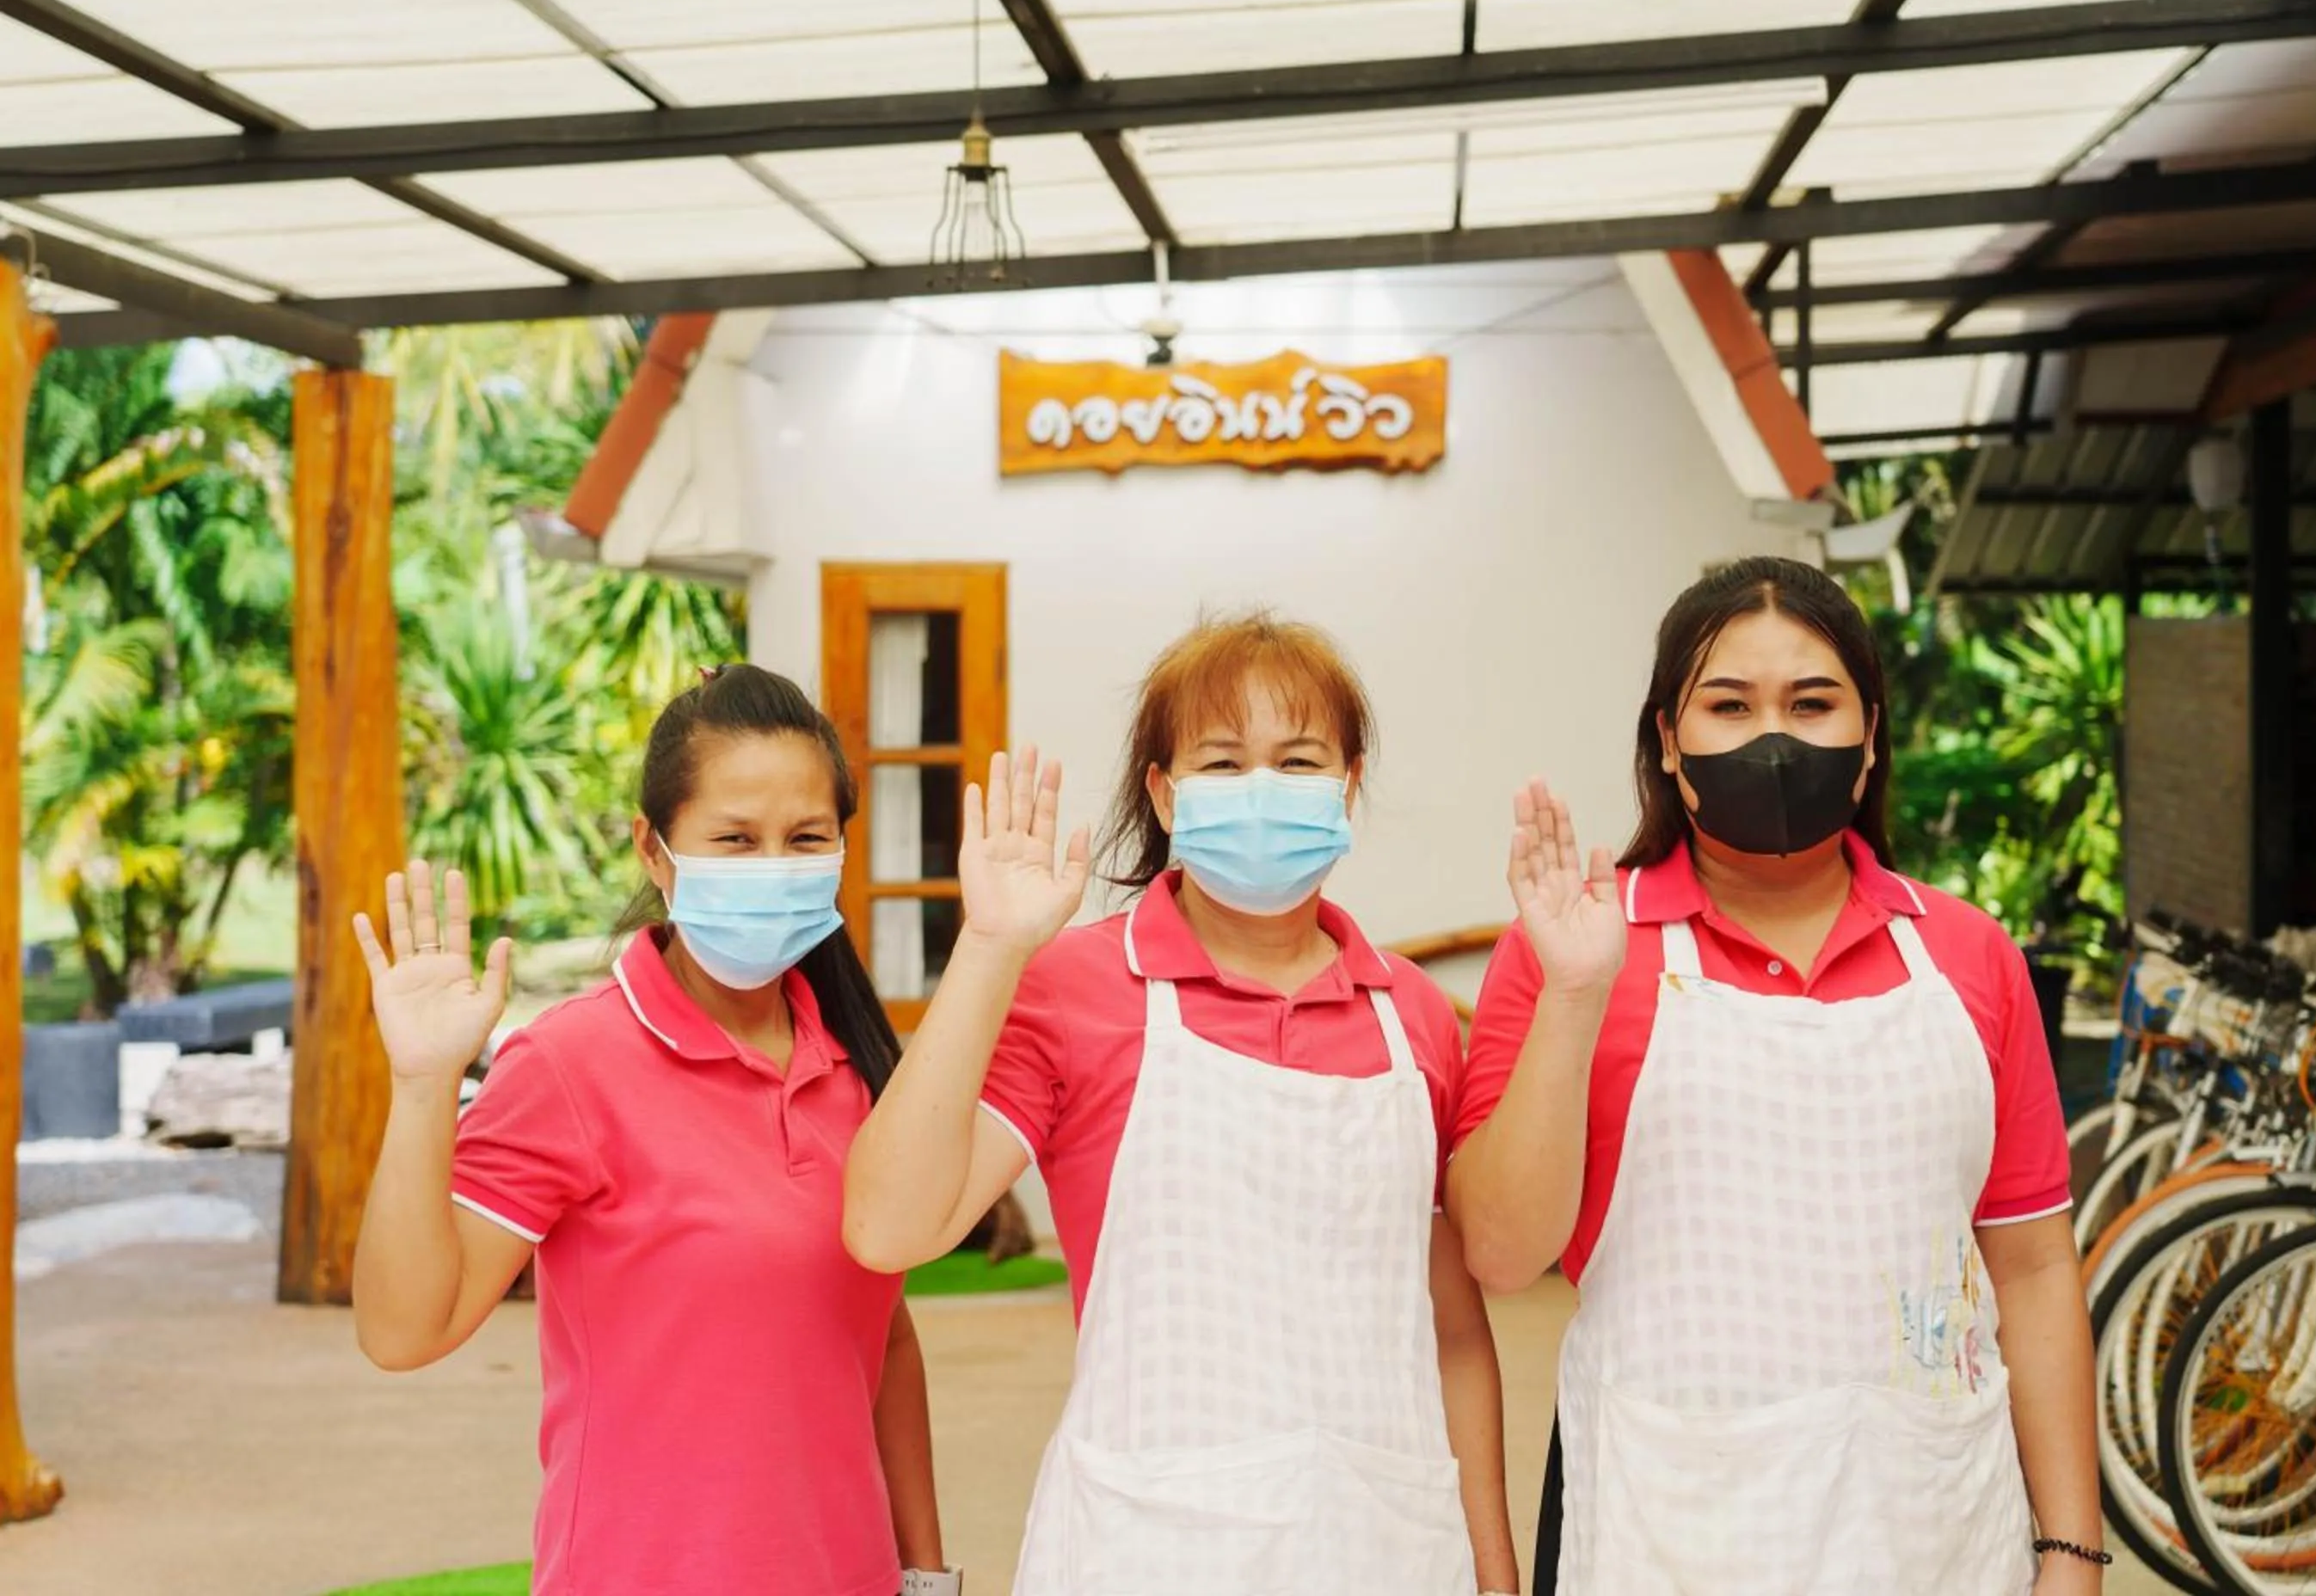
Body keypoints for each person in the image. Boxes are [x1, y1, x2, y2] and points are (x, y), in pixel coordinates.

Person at [1449, 559, 2104, 1596]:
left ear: (1871, 731)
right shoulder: (1573, 946)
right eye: (1728, 703)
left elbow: (2031, 1268)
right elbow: (1499, 1249)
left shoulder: (1971, 956)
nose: (1775, 736)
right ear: (1667, 738)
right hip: (1665, 1522)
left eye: (1812, 701)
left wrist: (2071, 1548)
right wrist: (1576, 994)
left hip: (1930, 1525)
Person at [842, 614, 1520, 1596]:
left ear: (1349, 784)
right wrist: (991, 946)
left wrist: (1496, 1577)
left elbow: (1454, 1332)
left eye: (1297, 761)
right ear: (1164, 790)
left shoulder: (1408, 1013)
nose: (1261, 789)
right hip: (1147, 1548)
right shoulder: (1074, 986)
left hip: (1384, 1549)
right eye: (1221, 760)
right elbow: (886, 1226)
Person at [351, 664, 958, 1596]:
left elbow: (884, 1339)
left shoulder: (857, 1065)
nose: (773, 866)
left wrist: (923, 1575)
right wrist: (424, 1083)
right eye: (733, 838)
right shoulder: (570, 1065)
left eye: (804, 838)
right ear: (655, 847)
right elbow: (404, 1328)